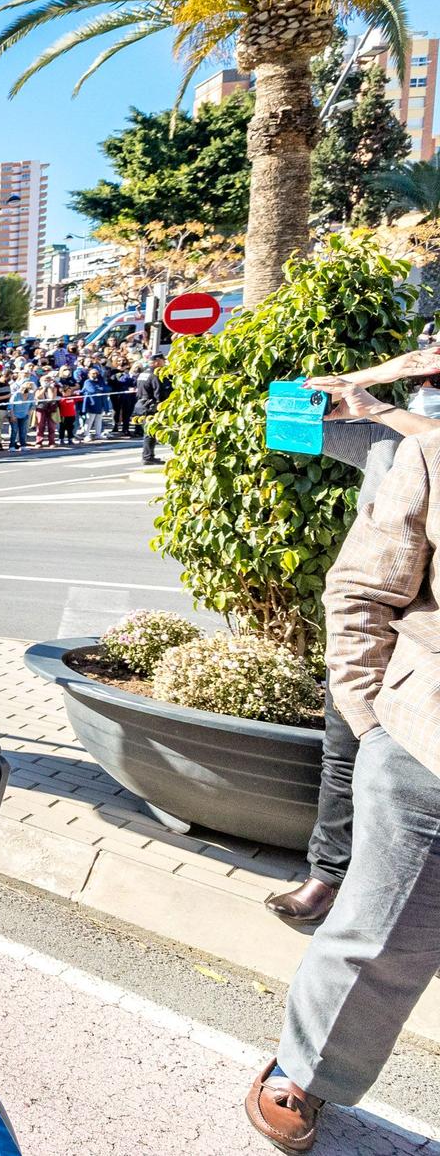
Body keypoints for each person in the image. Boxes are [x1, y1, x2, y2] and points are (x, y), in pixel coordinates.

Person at [246, 422, 440, 1151]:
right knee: (380, 936)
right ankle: (305, 1069)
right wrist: (374, 718)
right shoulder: (430, 452)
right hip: (426, 743)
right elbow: (360, 591)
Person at [259, 348, 440, 928]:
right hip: (375, 621)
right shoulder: (386, 430)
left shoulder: (401, 424)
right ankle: (327, 879)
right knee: (345, 749)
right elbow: (284, 420)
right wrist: (361, 384)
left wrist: (383, 403)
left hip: (427, 631)